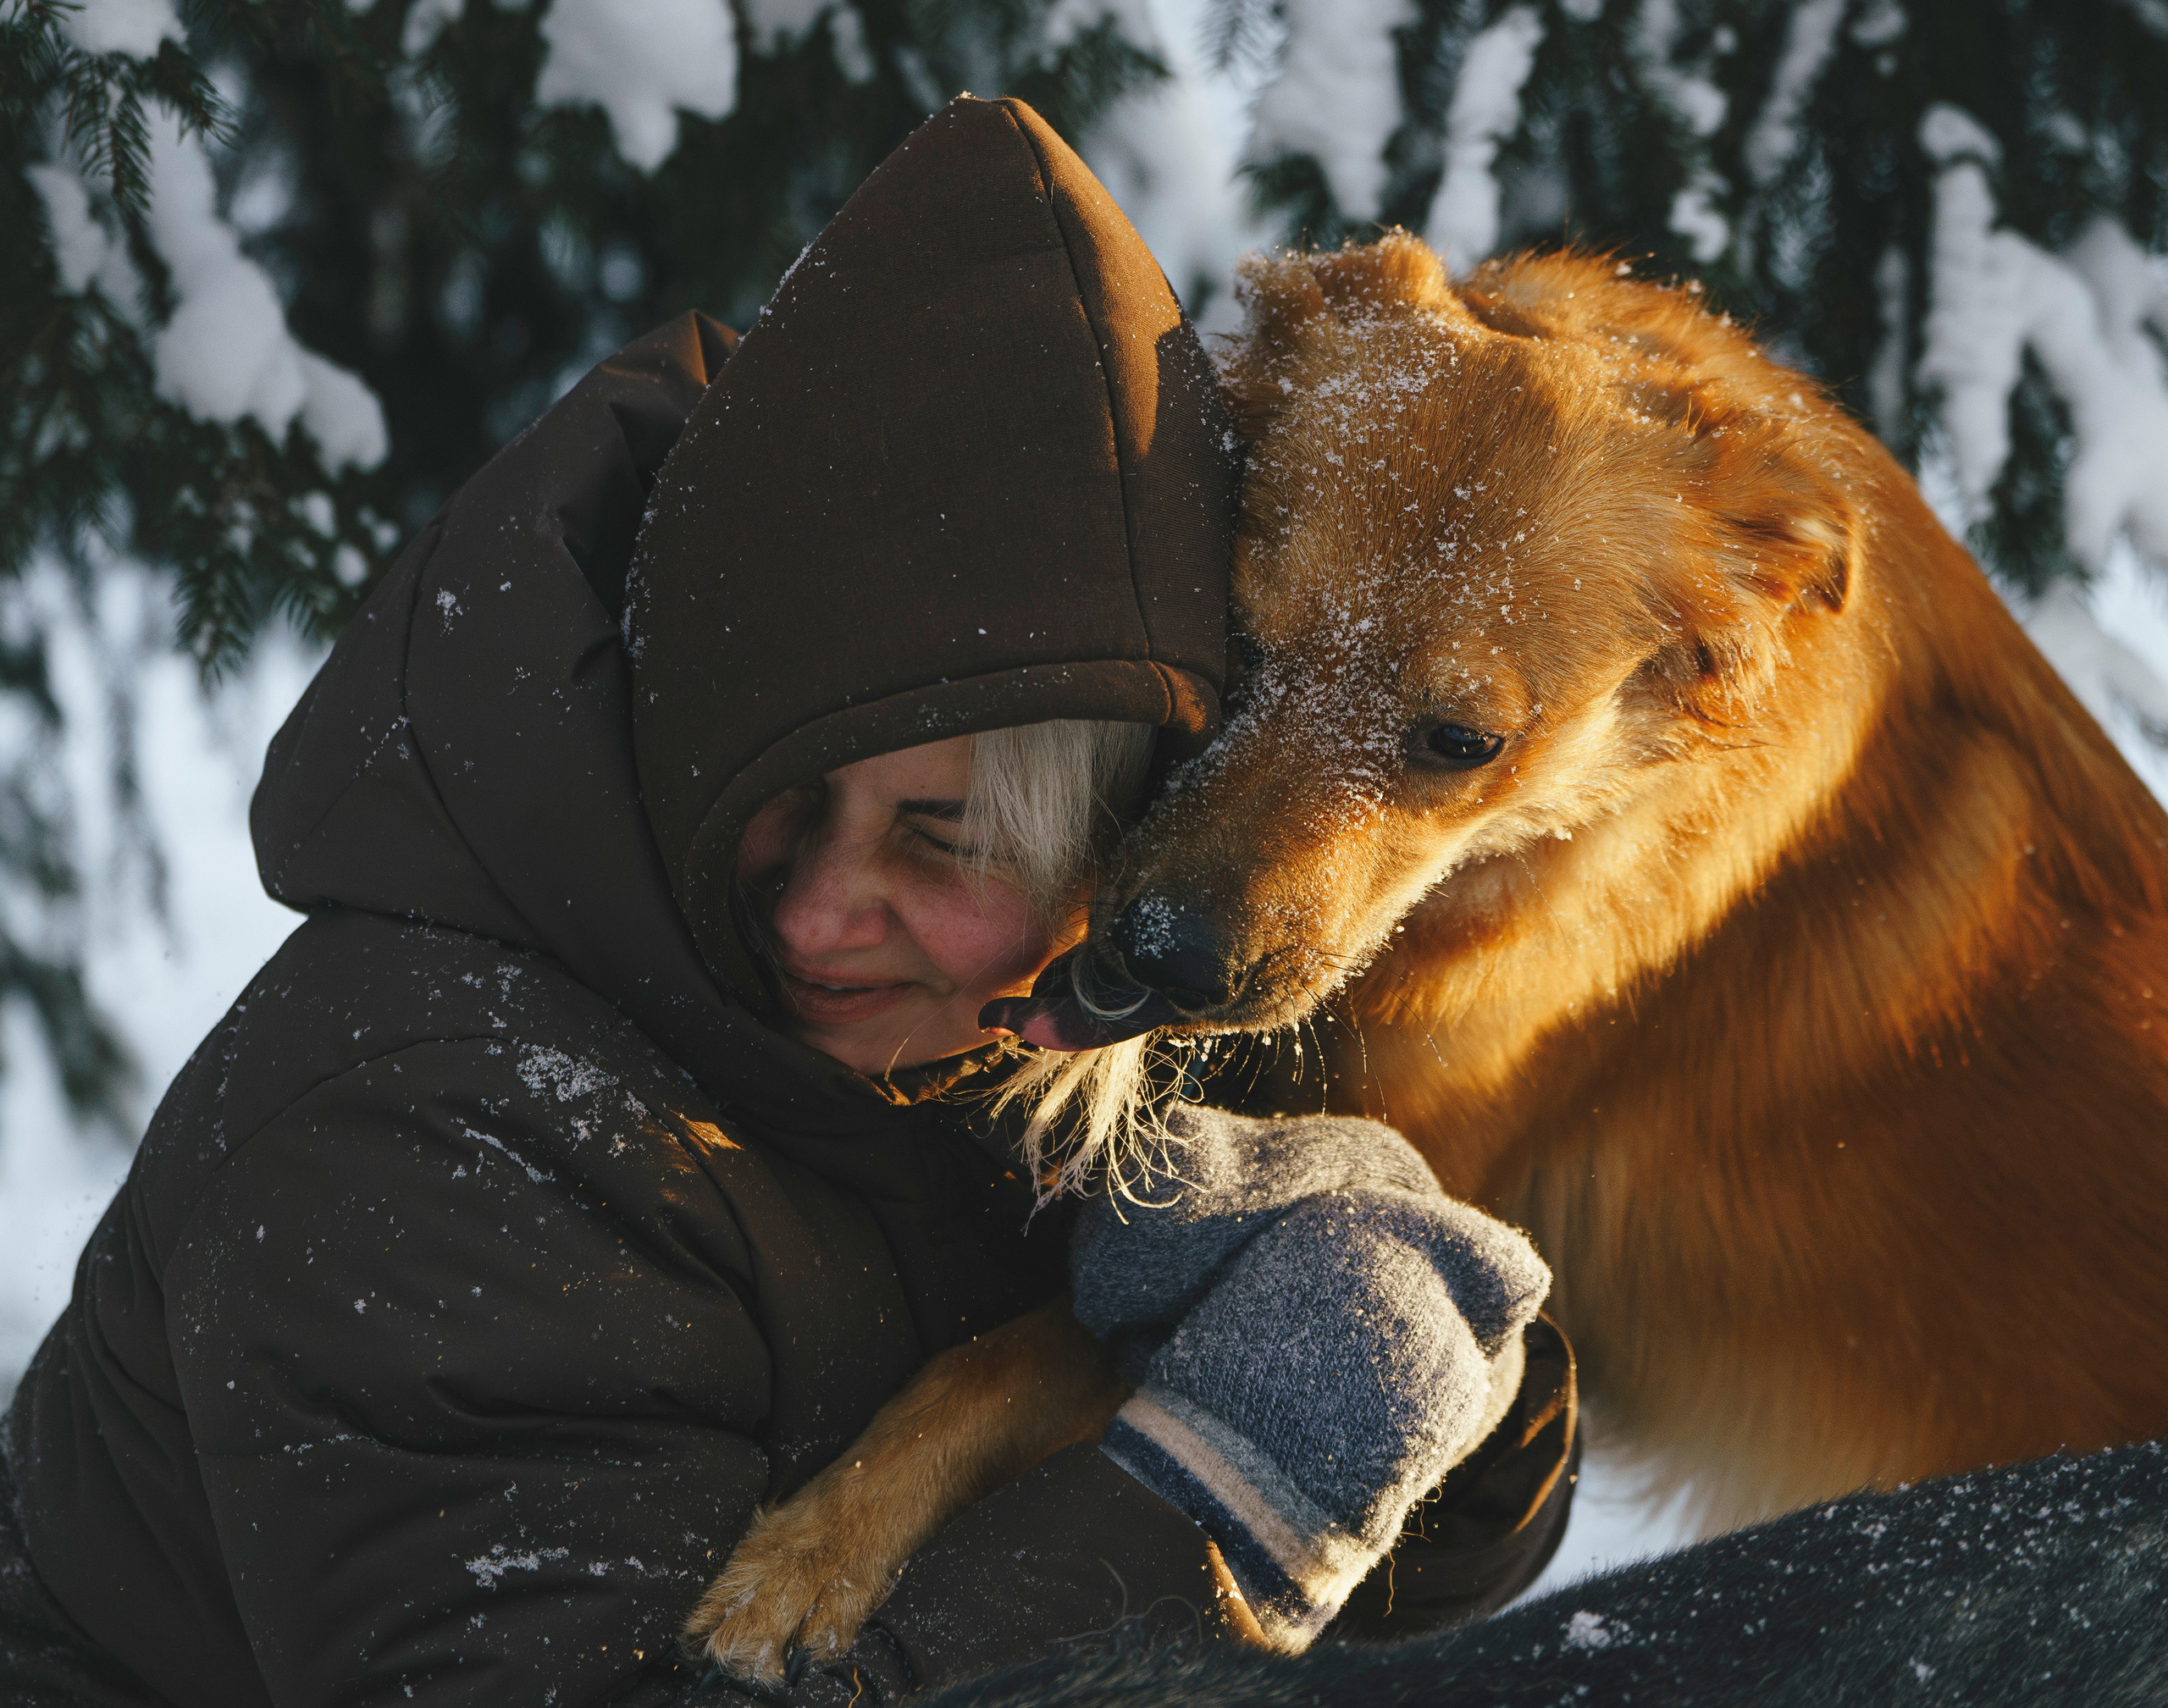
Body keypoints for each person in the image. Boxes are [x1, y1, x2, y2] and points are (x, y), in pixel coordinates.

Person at [0, 98, 1572, 1708]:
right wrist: (1208, 1505)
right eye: (787, 797)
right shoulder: (434, 1139)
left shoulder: (1069, 994)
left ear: (1116, 837)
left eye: (948, 844)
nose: (824, 915)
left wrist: (1423, 1359)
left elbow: (1446, 1572)